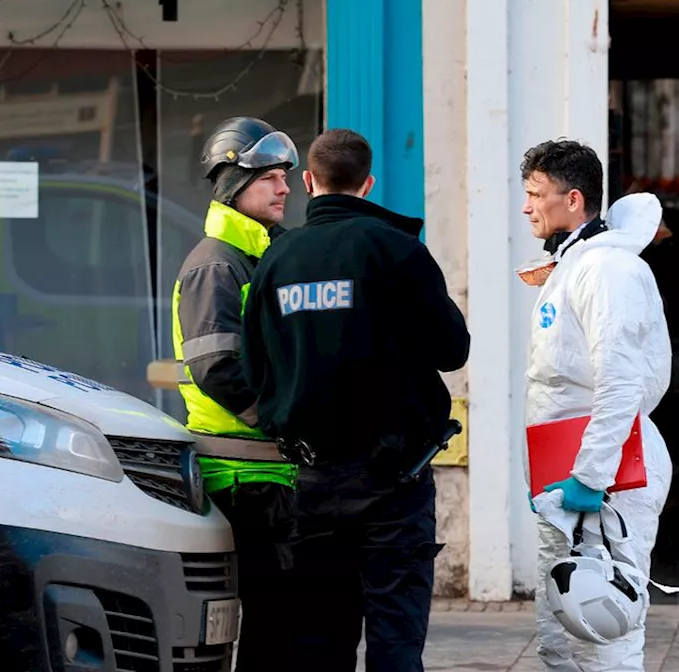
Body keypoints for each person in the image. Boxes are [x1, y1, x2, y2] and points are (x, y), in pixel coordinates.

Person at [240, 128, 470, 671]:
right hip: (395, 480)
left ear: (308, 181)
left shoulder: (277, 260)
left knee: (320, 639)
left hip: (312, 480)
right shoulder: (396, 249)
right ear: (368, 183)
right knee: (395, 635)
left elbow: (255, 370)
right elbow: (452, 349)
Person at [519, 139, 673, 671]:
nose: (527, 206)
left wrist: (592, 474)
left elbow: (621, 382)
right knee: (560, 631)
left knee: (604, 626)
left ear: (575, 200)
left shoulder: (607, 271)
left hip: (609, 481)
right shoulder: (576, 267)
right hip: (568, 479)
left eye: (536, 193)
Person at [170, 115, 300, 669]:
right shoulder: (216, 265)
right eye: (270, 176)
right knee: (270, 624)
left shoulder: (262, 255)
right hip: (242, 478)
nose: (285, 187)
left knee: (280, 625)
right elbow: (217, 366)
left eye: (285, 176)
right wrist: (280, 420)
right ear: (232, 183)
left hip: (270, 475)